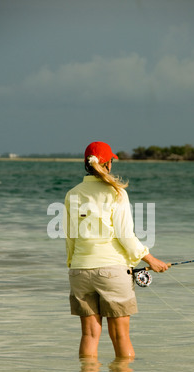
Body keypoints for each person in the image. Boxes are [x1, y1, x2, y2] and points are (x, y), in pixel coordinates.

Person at [65, 141, 169, 359]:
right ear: (108, 163)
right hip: (112, 272)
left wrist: (73, 266)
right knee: (121, 337)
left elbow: (70, 238)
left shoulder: (72, 194)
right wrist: (151, 260)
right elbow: (125, 236)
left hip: (79, 271)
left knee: (89, 336)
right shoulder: (117, 193)